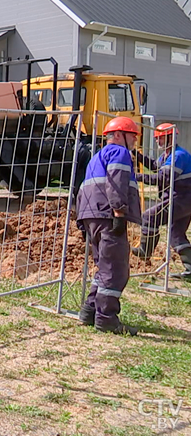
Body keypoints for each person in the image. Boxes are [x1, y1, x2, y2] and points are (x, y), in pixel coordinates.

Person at [76, 117, 141, 335]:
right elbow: (117, 183)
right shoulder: (120, 153)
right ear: (119, 135)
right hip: (107, 215)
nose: (134, 140)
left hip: (91, 215)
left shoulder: (97, 157)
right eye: (132, 135)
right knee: (116, 269)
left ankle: (90, 311)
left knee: (104, 266)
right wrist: (119, 213)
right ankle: (107, 318)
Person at [132, 123, 191, 282]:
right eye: (157, 138)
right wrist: (136, 155)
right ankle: (190, 270)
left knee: (149, 217)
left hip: (180, 199)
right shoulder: (167, 155)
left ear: (171, 137)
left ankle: (145, 250)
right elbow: (154, 166)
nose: (158, 141)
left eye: (161, 138)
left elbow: (163, 178)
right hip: (182, 200)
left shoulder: (178, 156)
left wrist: (136, 177)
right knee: (176, 235)